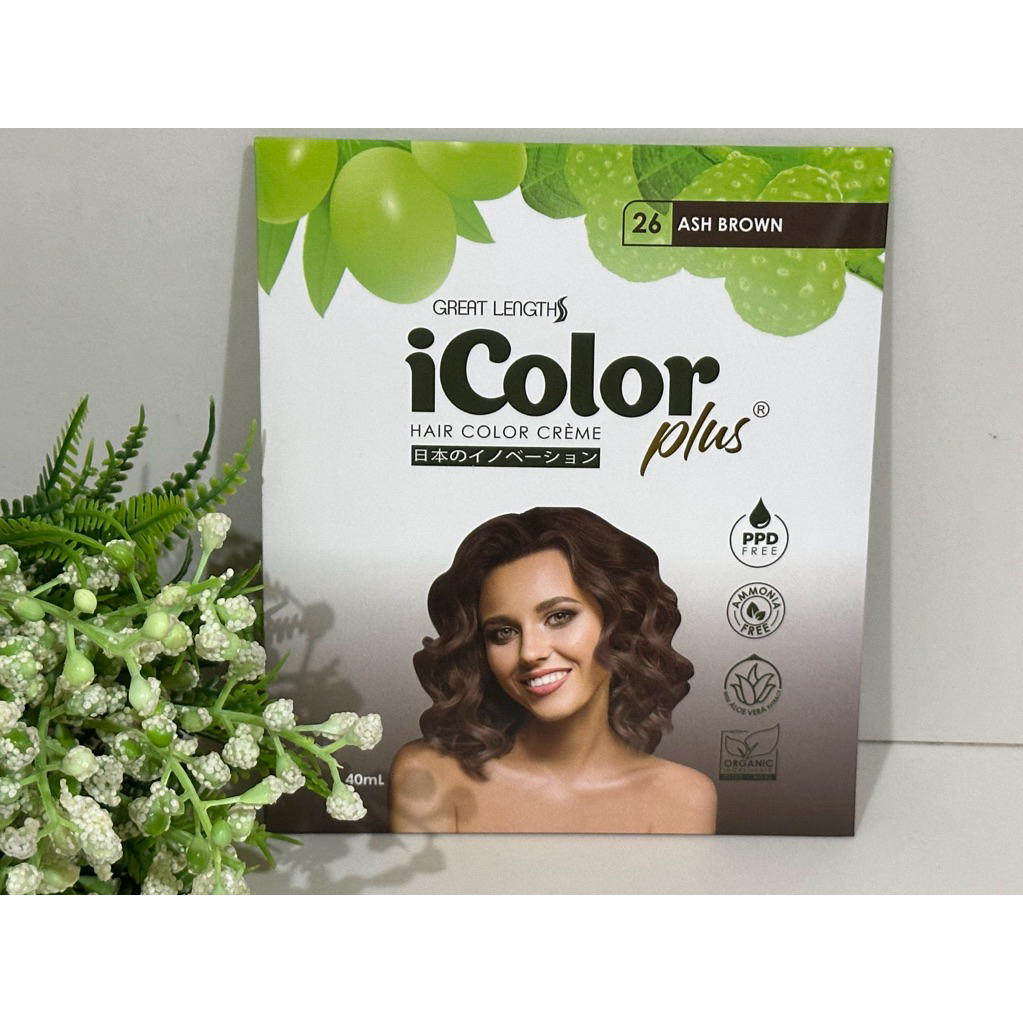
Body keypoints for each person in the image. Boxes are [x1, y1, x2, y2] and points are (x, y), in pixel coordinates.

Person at [389, 507, 716, 833]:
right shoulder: (430, 774)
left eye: (559, 617)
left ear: (621, 622)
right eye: (503, 632)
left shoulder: (683, 798)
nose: (530, 653)